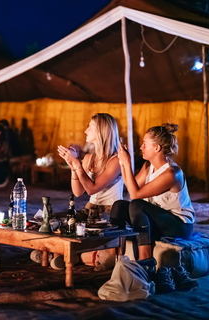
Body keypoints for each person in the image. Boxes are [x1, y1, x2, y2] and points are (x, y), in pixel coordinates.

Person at [110, 123, 198, 292]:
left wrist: (127, 164)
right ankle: (117, 260)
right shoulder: (148, 167)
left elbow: (136, 196)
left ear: (157, 148)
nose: (141, 147)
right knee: (120, 206)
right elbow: (131, 188)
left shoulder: (172, 174)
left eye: (145, 143)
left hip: (179, 224)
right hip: (158, 220)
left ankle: (146, 265)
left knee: (136, 205)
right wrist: (122, 162)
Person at [31, 113, 123, 270]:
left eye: (90, 127)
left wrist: (77, 164)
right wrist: (73, 166)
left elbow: (91, 188)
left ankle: (62, 254)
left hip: (110, 212)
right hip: (90, 208)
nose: (86, 130)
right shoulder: (89, 158)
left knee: (90, 230)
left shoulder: (116, 160)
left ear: (101, 131)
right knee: (55, 221)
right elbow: (79, 191)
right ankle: (66, 254)